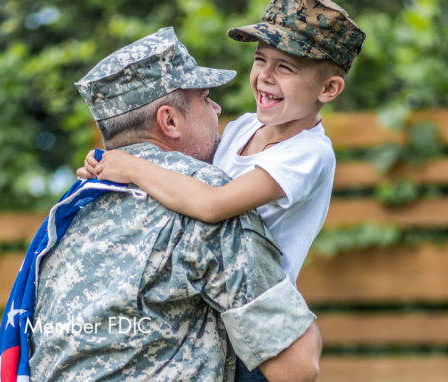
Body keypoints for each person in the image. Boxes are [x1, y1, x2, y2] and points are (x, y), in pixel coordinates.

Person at [27, 26, 321, 382]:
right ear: (169, 120)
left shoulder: (73, 208)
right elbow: (298, 369)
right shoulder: (203, 194)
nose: (217, 108)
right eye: (206, 98)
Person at [78, 0, 366, 288]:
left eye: (285, 68)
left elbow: (213, 203)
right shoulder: (244, 126)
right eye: (260, 59)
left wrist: (132, 168)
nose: (265, 75)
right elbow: (182, 173)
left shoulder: (308, 153)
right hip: (209, 280)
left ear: (329, 89)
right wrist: (106, 165)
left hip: (251, 301)